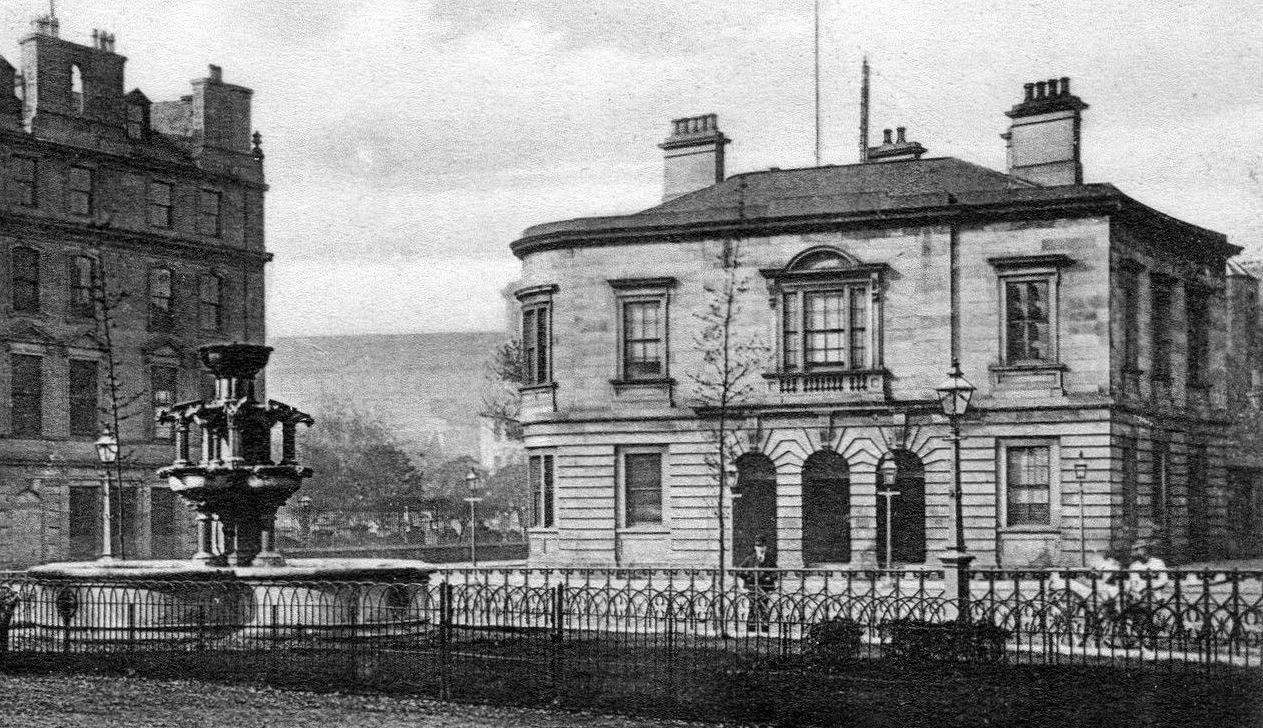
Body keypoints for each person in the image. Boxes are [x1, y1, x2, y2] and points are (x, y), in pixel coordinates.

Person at [738, 535, 778, 633]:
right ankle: (751, 628)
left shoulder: (769, 558)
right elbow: (740, 570)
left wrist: (770, 577)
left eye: (762, 546)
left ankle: (765, 627)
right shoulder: (750, 558)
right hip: (753, 586)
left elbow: (776, 572)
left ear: (765, 547)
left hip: (765, 586)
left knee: (764, 606)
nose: (760, 548)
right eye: (758, 546)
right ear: (755, 547)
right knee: (752, 606)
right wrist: (747, 577)